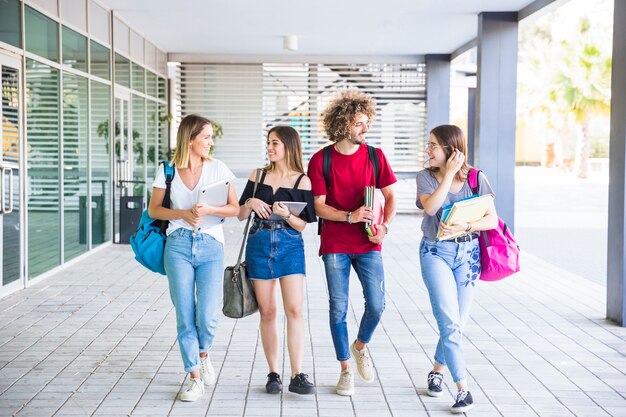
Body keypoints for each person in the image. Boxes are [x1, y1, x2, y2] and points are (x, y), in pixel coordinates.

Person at [307, 90, 397, 396]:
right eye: (360, 123)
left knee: (377, 304)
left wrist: (384, 225)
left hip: (370, 243)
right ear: (344, 123)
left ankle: (360, 346)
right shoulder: (322, 159)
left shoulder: (375, 156)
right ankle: (345, 369)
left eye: (367, 123)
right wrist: (350, 216)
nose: (365, 129)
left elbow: (391, 195)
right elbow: (318, 205)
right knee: (338, 308)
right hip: (335, 242)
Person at [148, 114, 239, 402]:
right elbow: (154, 211)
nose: (211, 142)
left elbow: (234, 208)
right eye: (206, 137)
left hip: (211, 244)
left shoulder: (218, 168)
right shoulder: (167, 170)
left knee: (209, 315)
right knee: (184, 314)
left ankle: (203, 354)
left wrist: (210, 208)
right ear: (190, 140)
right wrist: (183, 214)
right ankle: (193, 376)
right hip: (177, 245)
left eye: (211, 137)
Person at [416, 124, 498, 413]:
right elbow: (430, 208)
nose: (428, 150)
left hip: (468, 254)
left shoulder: (477, 178)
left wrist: (466, 225)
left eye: (433, 145)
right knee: (449, 322)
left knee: (457, 323)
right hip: (435, 252)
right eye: (429, 144)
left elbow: (492, 220)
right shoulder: (426, 177)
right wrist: (448, 174)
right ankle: (463, 388)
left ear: (451, 149)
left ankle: (437, 370)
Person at [238, 126, 317, 395]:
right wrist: (249, 201)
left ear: (289, 147)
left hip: (290, 247)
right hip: (259, 244)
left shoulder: (302, 181)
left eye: (275, 143)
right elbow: (238, 214)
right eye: (268, 143)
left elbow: (303, 226)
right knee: (268, 311)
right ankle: (273, 373)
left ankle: (297, 374)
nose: (270, 148)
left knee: (294, 310)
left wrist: (285, 215)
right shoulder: (258, 175)